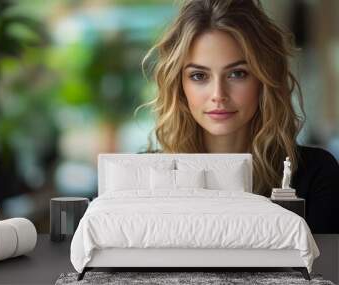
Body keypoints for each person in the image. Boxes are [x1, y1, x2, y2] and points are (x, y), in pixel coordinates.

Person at [139, 0, 339, 233]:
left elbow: (326, 269)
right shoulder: (144, 176)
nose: (218, 95)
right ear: (179, 85)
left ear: (264, 79)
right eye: (199, 76)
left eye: (237, 73)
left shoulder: (315, 175)